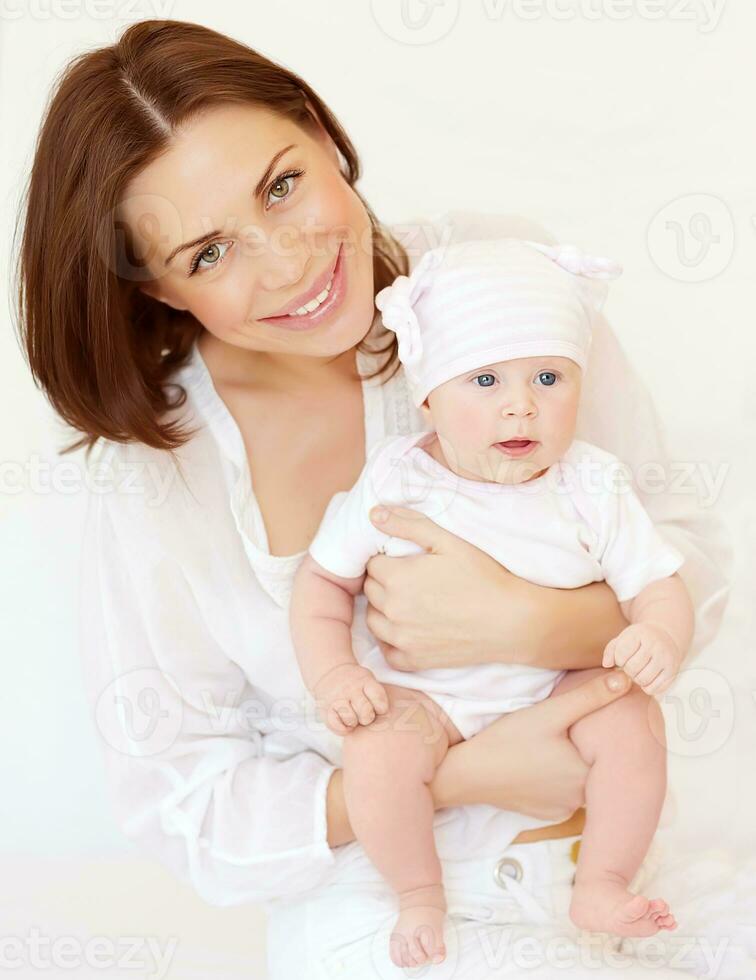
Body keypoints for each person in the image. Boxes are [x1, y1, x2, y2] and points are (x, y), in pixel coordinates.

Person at [14, 19, 729, 980]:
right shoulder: (158, 473)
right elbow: (181, 799)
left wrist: (535, 624)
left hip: (628, 863)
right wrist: (454, 778)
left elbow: (684, 549)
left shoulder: (493, 280)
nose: (290, 263)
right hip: (383, 909)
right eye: (209, 254)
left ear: (317, 128)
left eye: (283, 184)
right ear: (159, 291)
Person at [290, 237, 694, 968]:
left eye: (548, 377)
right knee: (377, 749)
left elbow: (658, 580)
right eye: (484, 382)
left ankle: (600, 881)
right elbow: (321, 582)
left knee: (634, 718)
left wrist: (660, 634)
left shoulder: (590, 484)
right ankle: (418, 891)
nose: (520, 406)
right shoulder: (397, 482)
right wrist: (335, 675)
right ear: (428, 396)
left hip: (559, 690)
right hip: (431, 700)